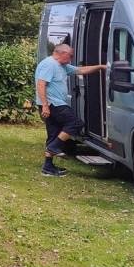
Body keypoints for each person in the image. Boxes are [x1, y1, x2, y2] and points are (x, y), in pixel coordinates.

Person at [35, 43, 107, 177]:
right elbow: (41, 84)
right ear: (61, 53)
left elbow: (80, 70)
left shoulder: (62, 66)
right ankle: (54, 147)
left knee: (53, 134)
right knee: (76, 123)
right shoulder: (49, 64)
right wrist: (45, 105)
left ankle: (48, 167)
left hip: (53, 104)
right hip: (53, 104)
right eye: (70, 56)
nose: (71, 59)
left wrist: (100, 67)